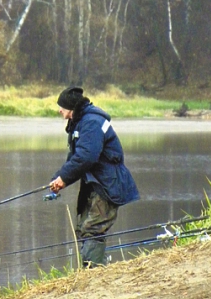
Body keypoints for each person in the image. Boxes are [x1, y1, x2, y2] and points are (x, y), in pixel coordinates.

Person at [49, 86, 140, 268]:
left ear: (71, 107)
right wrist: (58, 178)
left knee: (92, 229)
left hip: (107, 184)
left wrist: (64, 179)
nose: (59, 110)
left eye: (62, 106)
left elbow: (87, 157)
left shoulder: (91, 122)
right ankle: (91, 270)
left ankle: (93, 274)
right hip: (95, 183)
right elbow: (76, 157)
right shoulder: (81, 122)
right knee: (84, 228)